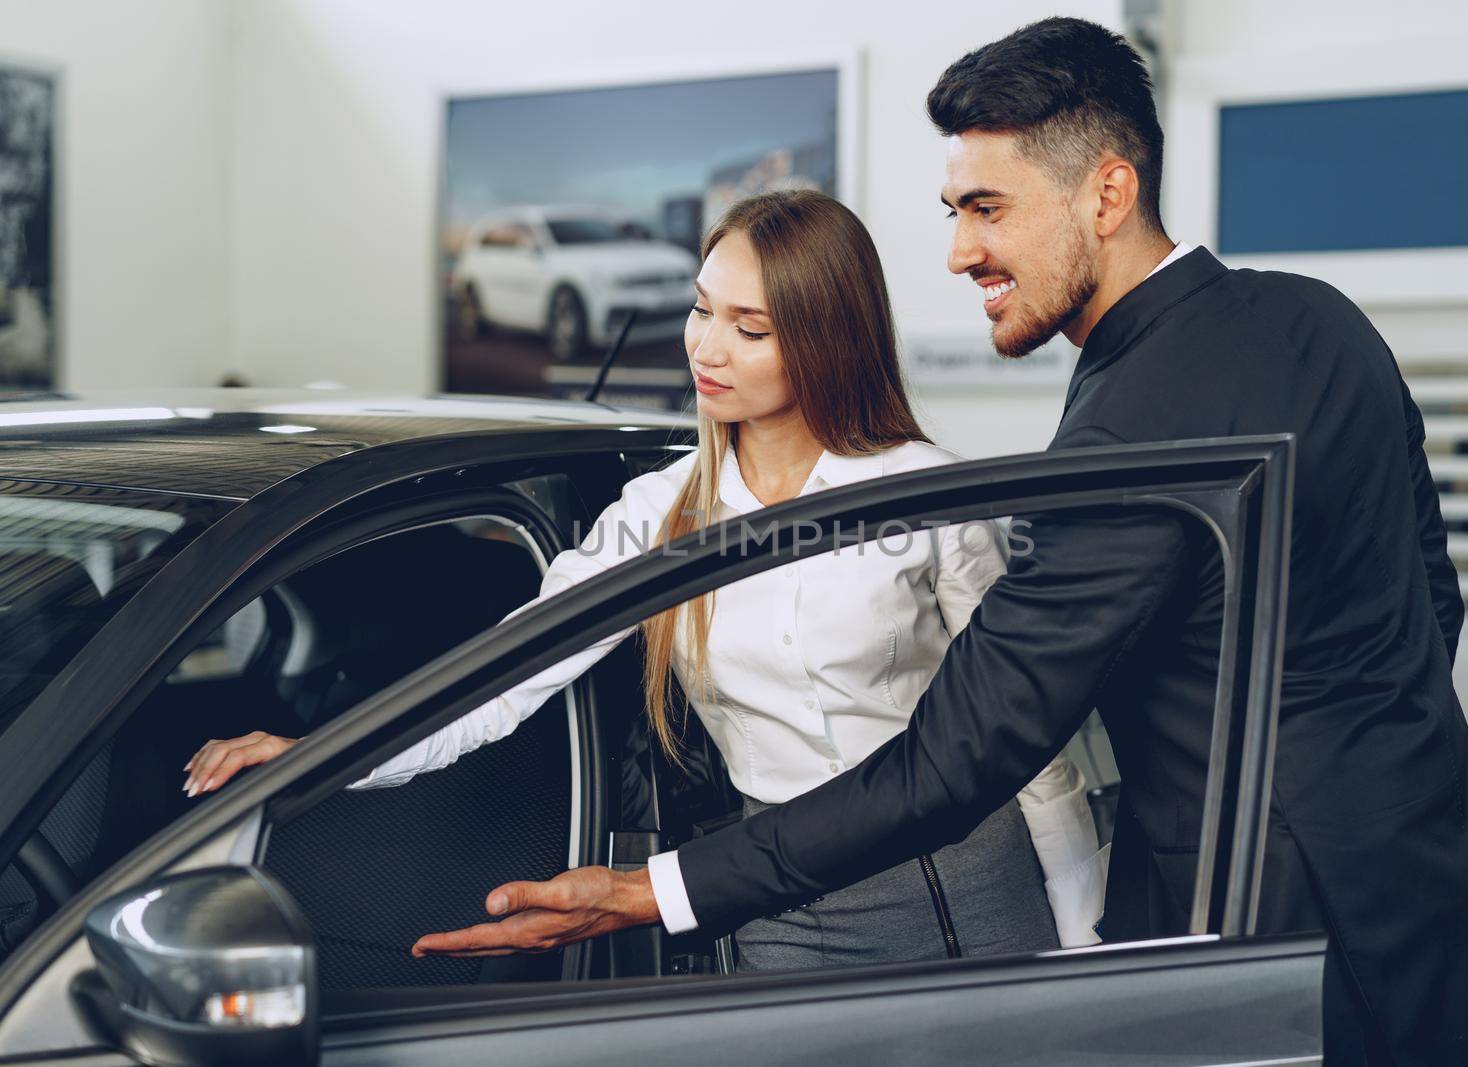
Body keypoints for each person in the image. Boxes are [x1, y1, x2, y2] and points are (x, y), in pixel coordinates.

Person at [412, 18, 1468, 1066]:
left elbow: (962, 756)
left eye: (987, 209)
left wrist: (654, 888)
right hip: (1445, 880)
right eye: (952, 211)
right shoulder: (1316, 316)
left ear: (1105, 194)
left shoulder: (1123, 427)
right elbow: (1428, 591)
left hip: (1288, 940)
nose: (962, 253)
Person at [182, 189, 1107, 969]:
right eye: (702, 310)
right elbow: (503, 674)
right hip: (774, 895)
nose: (705, 348)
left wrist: (1085, 940)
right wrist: (324, 752)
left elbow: (1029, 745)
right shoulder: (660, 512)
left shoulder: (926, 494)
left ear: (829, 340)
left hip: (966, 892)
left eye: (749, 328)